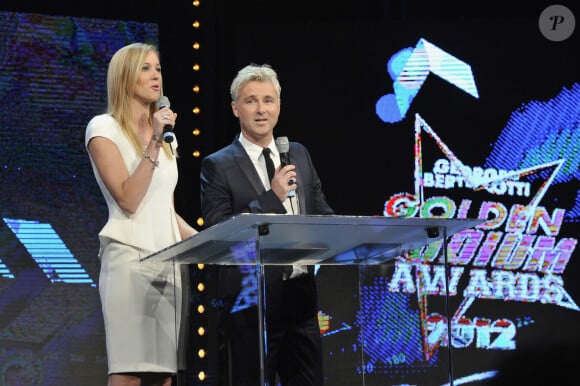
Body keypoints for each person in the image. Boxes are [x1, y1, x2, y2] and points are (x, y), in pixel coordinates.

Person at [200, 63, 334, 386]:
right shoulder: (217, 165)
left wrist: (351, 235)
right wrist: (271, 198)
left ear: (279, 106)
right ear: (235, 108)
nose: (261, 110)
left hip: (300, 301)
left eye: (268, 100)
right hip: (251, 303)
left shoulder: (298, 155)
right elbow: (221, 232)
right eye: (251, 101)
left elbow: (321, 214)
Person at [85, 42, 198, 386]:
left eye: (158, 69)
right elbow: (129, 199)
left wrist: (210, 242)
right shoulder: (103, 129)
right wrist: (154, 143)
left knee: (164, 376)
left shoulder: (166, 139)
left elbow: (164, 208)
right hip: (129, 264)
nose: (156, 76)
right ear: (123, 77)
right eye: (145, 69)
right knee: (129, 374)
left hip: (169, 266)